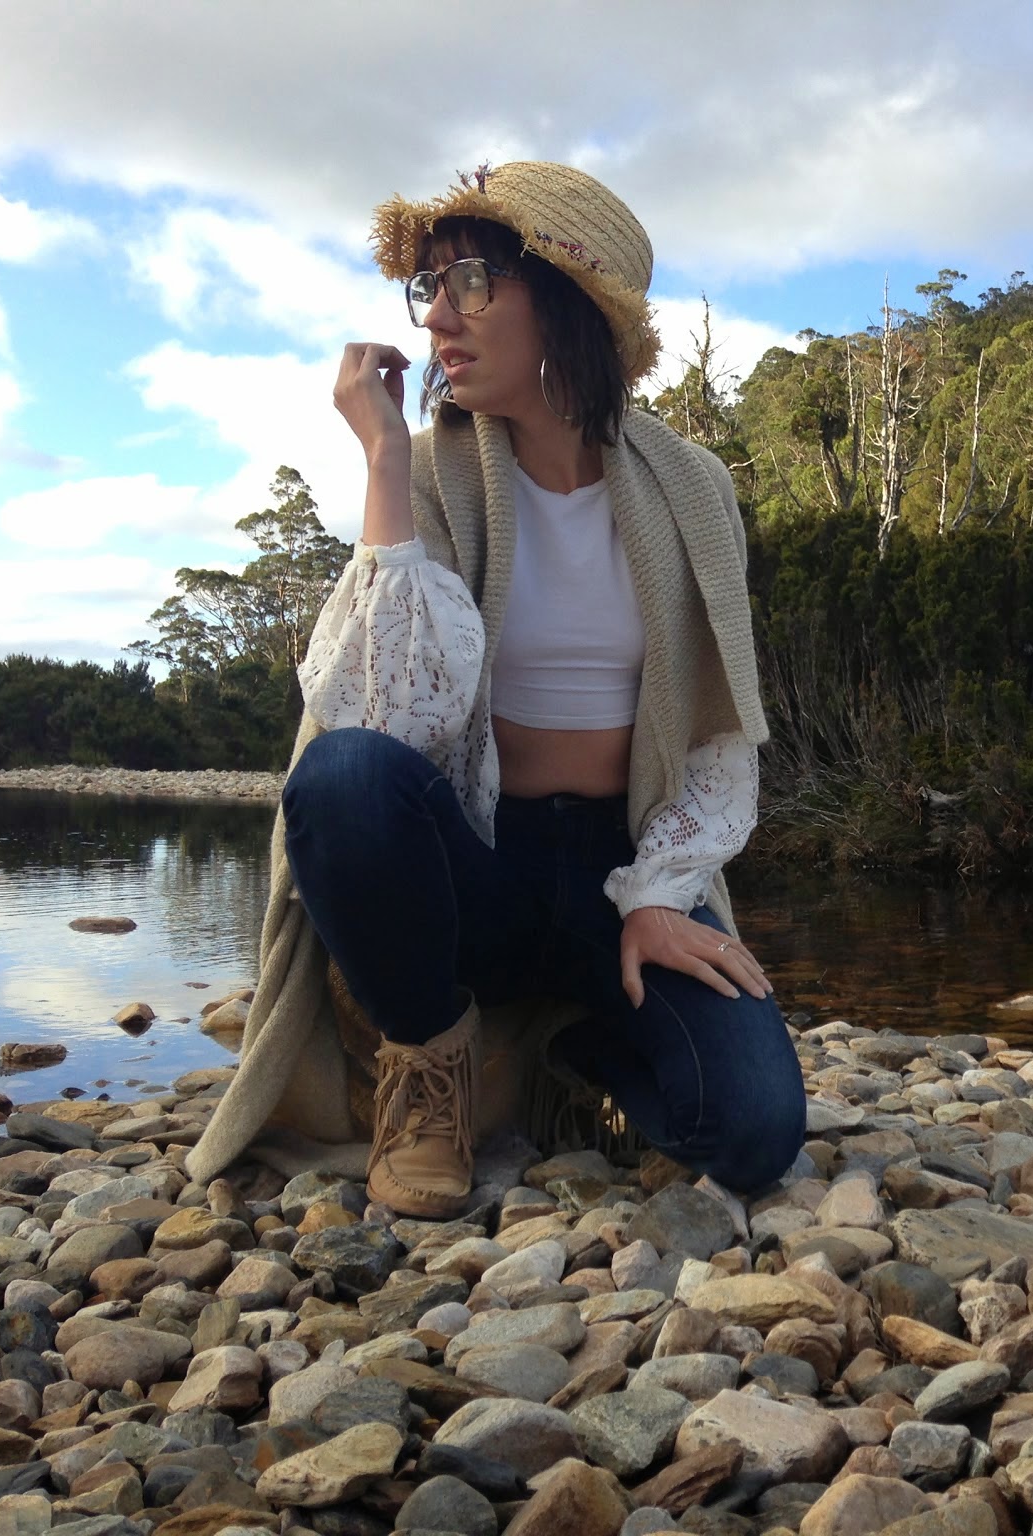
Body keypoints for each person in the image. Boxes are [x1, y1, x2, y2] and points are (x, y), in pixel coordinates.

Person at [183, 162, 808, 1216]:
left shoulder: (692, 488)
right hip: (477, 857)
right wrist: (384, 461)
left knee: (752, 1132)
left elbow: (712, 728)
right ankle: (427, 1062)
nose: (435, 317)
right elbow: (384, 723)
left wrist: (659, 893)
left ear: (569, 300)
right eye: (425, 289)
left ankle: (565, 1061)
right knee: (341, 781)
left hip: (624, 867)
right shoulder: (429, 471)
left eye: (467, 280)